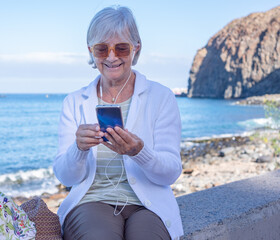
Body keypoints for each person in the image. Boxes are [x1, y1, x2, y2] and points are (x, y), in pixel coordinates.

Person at [53, 6, 183, 240]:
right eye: (102, 49)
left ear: (136, 48)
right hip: (92, 201)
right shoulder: (73, 102)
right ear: (91, 52)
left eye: (121, 47)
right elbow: (65, 177)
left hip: (148, 205)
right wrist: (79, 149)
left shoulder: (161, 97)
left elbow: (170, 173)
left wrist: (138, 151)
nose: (112, 57)